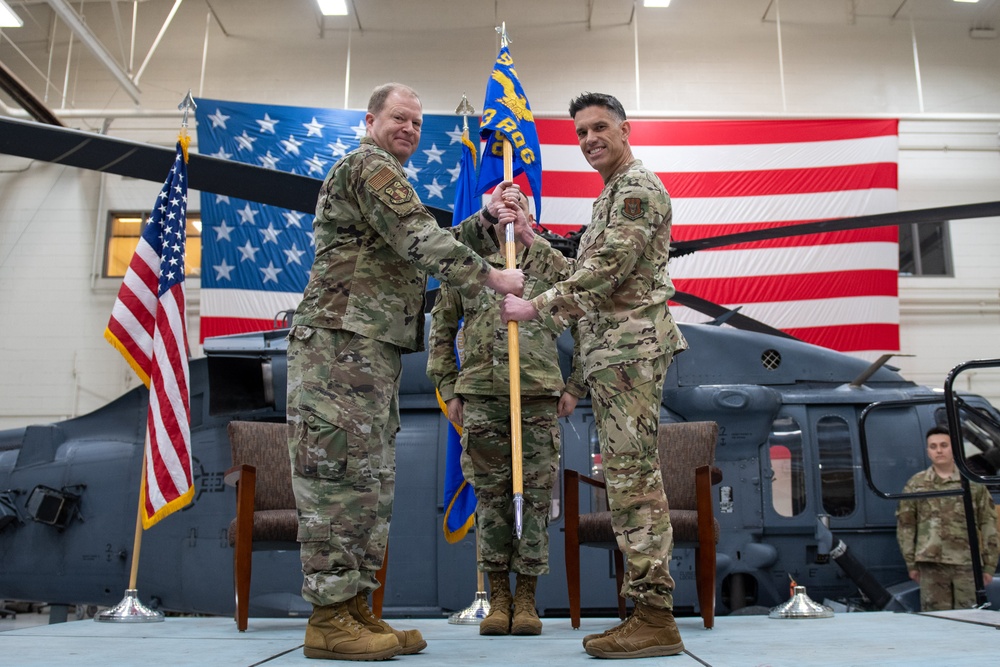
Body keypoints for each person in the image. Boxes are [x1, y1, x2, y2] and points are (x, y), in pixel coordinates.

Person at [286, 82, 524, 662]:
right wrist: (491, 277)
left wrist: (486, 216)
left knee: (367, 484)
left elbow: (413, 241)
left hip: (370, 349)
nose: (409, 130)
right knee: (338, 479)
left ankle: (356, 609)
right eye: (399, 118)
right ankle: (328, 616)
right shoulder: (369, 167)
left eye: (417, 123)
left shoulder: (389, 179)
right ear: (371, 120)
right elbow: (419, 239)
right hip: (340, 345)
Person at [497, 92, 688, 659]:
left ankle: (654, 615)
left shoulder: (635, 189)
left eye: (599, 127)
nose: (588, 140)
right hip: (611, 354)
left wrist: (536, 308)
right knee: (627, 478)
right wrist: (531, 241)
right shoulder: (610, 195)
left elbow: (605, 274)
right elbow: (586, 268)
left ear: (625, 129)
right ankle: (645, 610)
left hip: (630, 352)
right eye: (580, 132)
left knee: (633, 480)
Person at [426, 192, 587, 637]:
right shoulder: (471, 268)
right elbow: (440, 330)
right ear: (490, 216)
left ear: (532, 216)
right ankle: (498, 598)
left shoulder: (552, 267)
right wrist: (447, 387)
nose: (509, 217)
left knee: (534, 499)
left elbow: (587, 315)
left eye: (519, 210)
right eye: (502, 209)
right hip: (481, 397)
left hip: (536, 396)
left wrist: (577, 385)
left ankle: (527, 600)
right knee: (492, 500)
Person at [896, 425, 999, 611]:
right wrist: (911, 563)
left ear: (955, 448)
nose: (939, 450)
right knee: (935, 622)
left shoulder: (972, 484)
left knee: (970, 618)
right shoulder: (916, 485)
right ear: (928, 451)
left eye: (944, 445)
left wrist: (989, 565)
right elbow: (906, 526)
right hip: (931, 566)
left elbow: (988, 523)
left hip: (966, 564)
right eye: (933, 446)